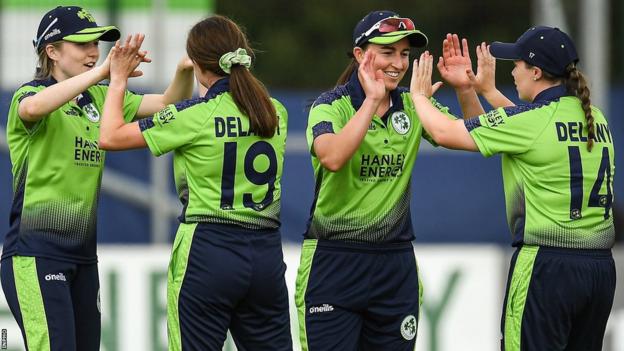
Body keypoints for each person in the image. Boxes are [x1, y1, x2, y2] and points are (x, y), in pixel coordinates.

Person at [0, 6, 194, 351]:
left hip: (83, 258)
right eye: (83, 44)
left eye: (97, 44)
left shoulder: (100, 97)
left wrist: (185, 69)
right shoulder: (30, 94)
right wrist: (106, 72)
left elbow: (169, 103)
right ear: (52, 51)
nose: (94, 52)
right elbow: (30, 109)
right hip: (35, 253)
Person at [410, 26, 616, 350]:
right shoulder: (596, 117)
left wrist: (418, 97)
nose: (513, 70)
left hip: (546, 266)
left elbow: (446, 133)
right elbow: (519, 130)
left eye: (517, 64)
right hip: (598, 271)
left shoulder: (533, 122)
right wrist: (473, 91)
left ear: (535, 72)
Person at [98, 16, 292, 351]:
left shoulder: (195, 115)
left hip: (209, 248)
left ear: (199, 64)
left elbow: (110, 136)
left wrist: (117, 81)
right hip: (265, 256)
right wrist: (189, 73)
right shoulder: (275, 112)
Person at [294, 11, 483, 350]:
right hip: (334, 262)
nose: (398, 63)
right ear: (359, 55)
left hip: (394, 267)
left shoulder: (413, 105)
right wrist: (371, 101)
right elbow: (332, 157)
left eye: (404, 54)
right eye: (387, 52)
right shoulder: (330, 106)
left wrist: (466, 89)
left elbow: (478, 138)